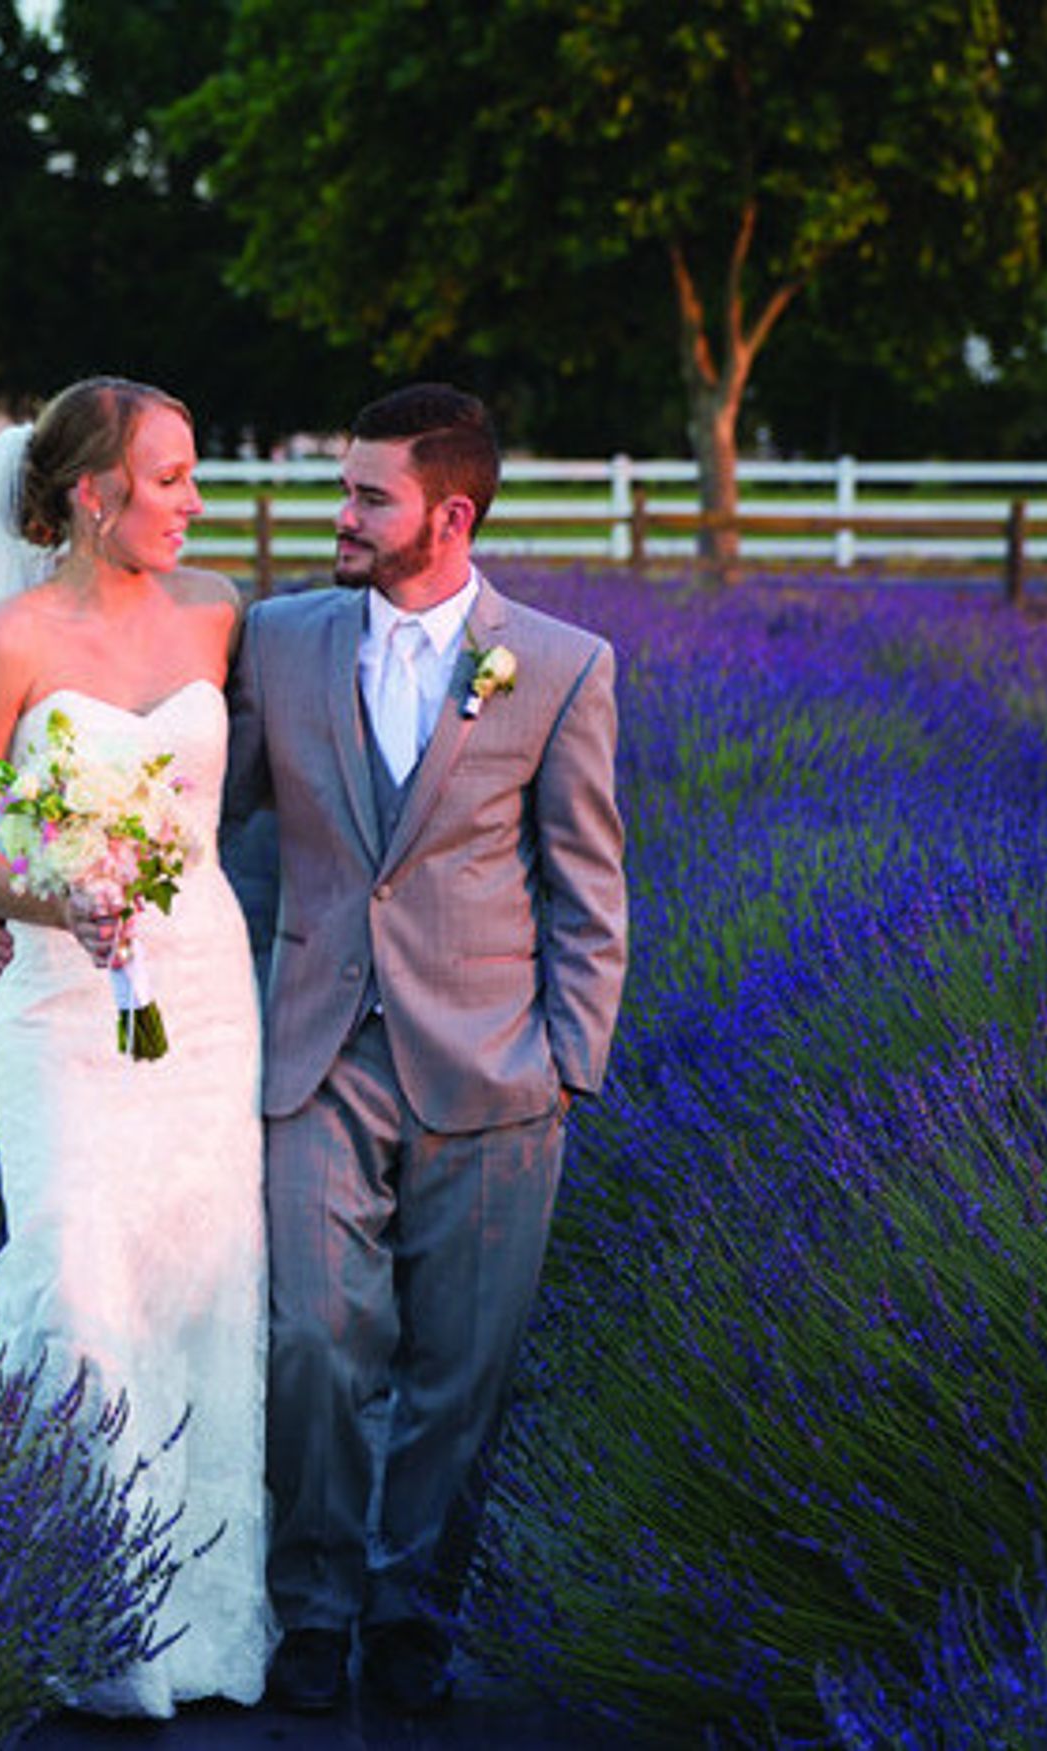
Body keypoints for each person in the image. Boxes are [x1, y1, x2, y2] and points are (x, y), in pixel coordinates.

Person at [0, 377, 276, 1717]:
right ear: (94, 495)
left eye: (193, 476)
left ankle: (200, 1624)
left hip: (203, 997)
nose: (194, 503)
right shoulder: (5, 644)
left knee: (199, 1291)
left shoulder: (220, 614)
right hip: (57, 999)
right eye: (169, 479)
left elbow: (252, 782)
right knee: (81, 1285)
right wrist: (48, 897)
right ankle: (32, 1592)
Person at [221, 383, 628, 1716]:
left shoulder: (563, 664)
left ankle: (409, 1609)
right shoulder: (277, 643)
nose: (339, 516)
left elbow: (588, 884)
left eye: (365, 496)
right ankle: (312, 1607)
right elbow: (198, 820)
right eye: (342, 490)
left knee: (459, 1370)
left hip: (498, 1072)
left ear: (449, 517)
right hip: (314, 1053)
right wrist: (68, 890)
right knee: (315, 1344)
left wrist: (568, 1062)